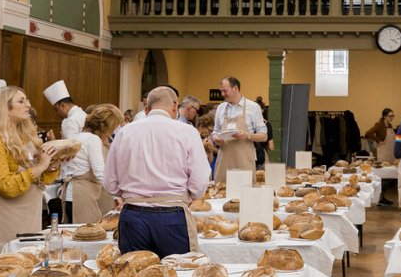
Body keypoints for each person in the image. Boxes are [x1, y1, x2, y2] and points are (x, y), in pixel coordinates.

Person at [103, 86, 209, 257]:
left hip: (133, 215)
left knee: (132, 276)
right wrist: (189, 196)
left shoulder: (125, 132)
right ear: (175, 106)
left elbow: (109, 182)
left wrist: (130, 193)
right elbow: (200, 179)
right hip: (172, 215)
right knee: (176, 275)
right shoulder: (187, 132)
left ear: (146, 109)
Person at [0, 86, 59, 255]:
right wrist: (40, 167)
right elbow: (6, 186)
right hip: (6, 214)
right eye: (21, 101)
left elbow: (42, 179)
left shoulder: (27, 136)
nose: (28, 105)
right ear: (5, 108)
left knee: (30, 259)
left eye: (27, 100)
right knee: (6, 263)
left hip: (30, 211)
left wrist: (53, 165)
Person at [64, 104, 124, 224]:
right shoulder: (93, 139)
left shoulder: (79, 136)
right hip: (83, 195)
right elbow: (99, 171)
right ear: (106, 127)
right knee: (88, 236)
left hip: (71, 194)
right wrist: (116, 195)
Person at [211, 76, 267, 183]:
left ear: (235, 88)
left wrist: (248, 136)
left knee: (246, 194)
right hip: (224, 161)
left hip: (244, 161)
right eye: (221, 91)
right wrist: (215, 138)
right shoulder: (220, 108)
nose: (222, 94)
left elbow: (264, 136)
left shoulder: (253, 107)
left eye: (225, 91)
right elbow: (215, 131)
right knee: (221, 193)